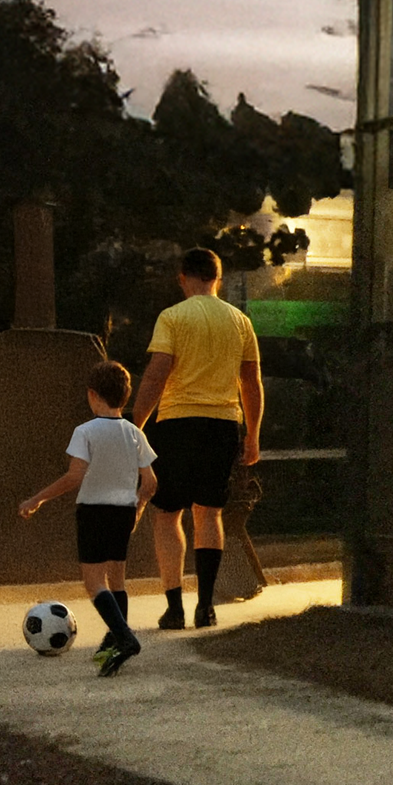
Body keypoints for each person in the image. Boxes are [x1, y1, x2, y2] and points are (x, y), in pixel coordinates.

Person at [131, 248, 263, 629]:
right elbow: (251, 384)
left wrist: (135, 427)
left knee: (167, 515)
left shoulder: (172, 318)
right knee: (209, 513)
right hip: (222, 425)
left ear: (183, 277)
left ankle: (174, 606)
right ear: (217, 278)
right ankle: (206, 605)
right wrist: (252, 434)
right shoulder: (240, 322)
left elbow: (157, 374)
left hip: (175, 423)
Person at [19, 359, 158, 676]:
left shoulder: (85, 432)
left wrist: (37, 498)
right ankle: (111, 648)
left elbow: (74, 477)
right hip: (123, 511)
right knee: (117, 578)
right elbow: (150, 483)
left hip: (94, 511)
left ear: (92, 395)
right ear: (125, 396)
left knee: (95, 583)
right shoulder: (135, 433)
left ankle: (125, 639)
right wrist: (137, 509)